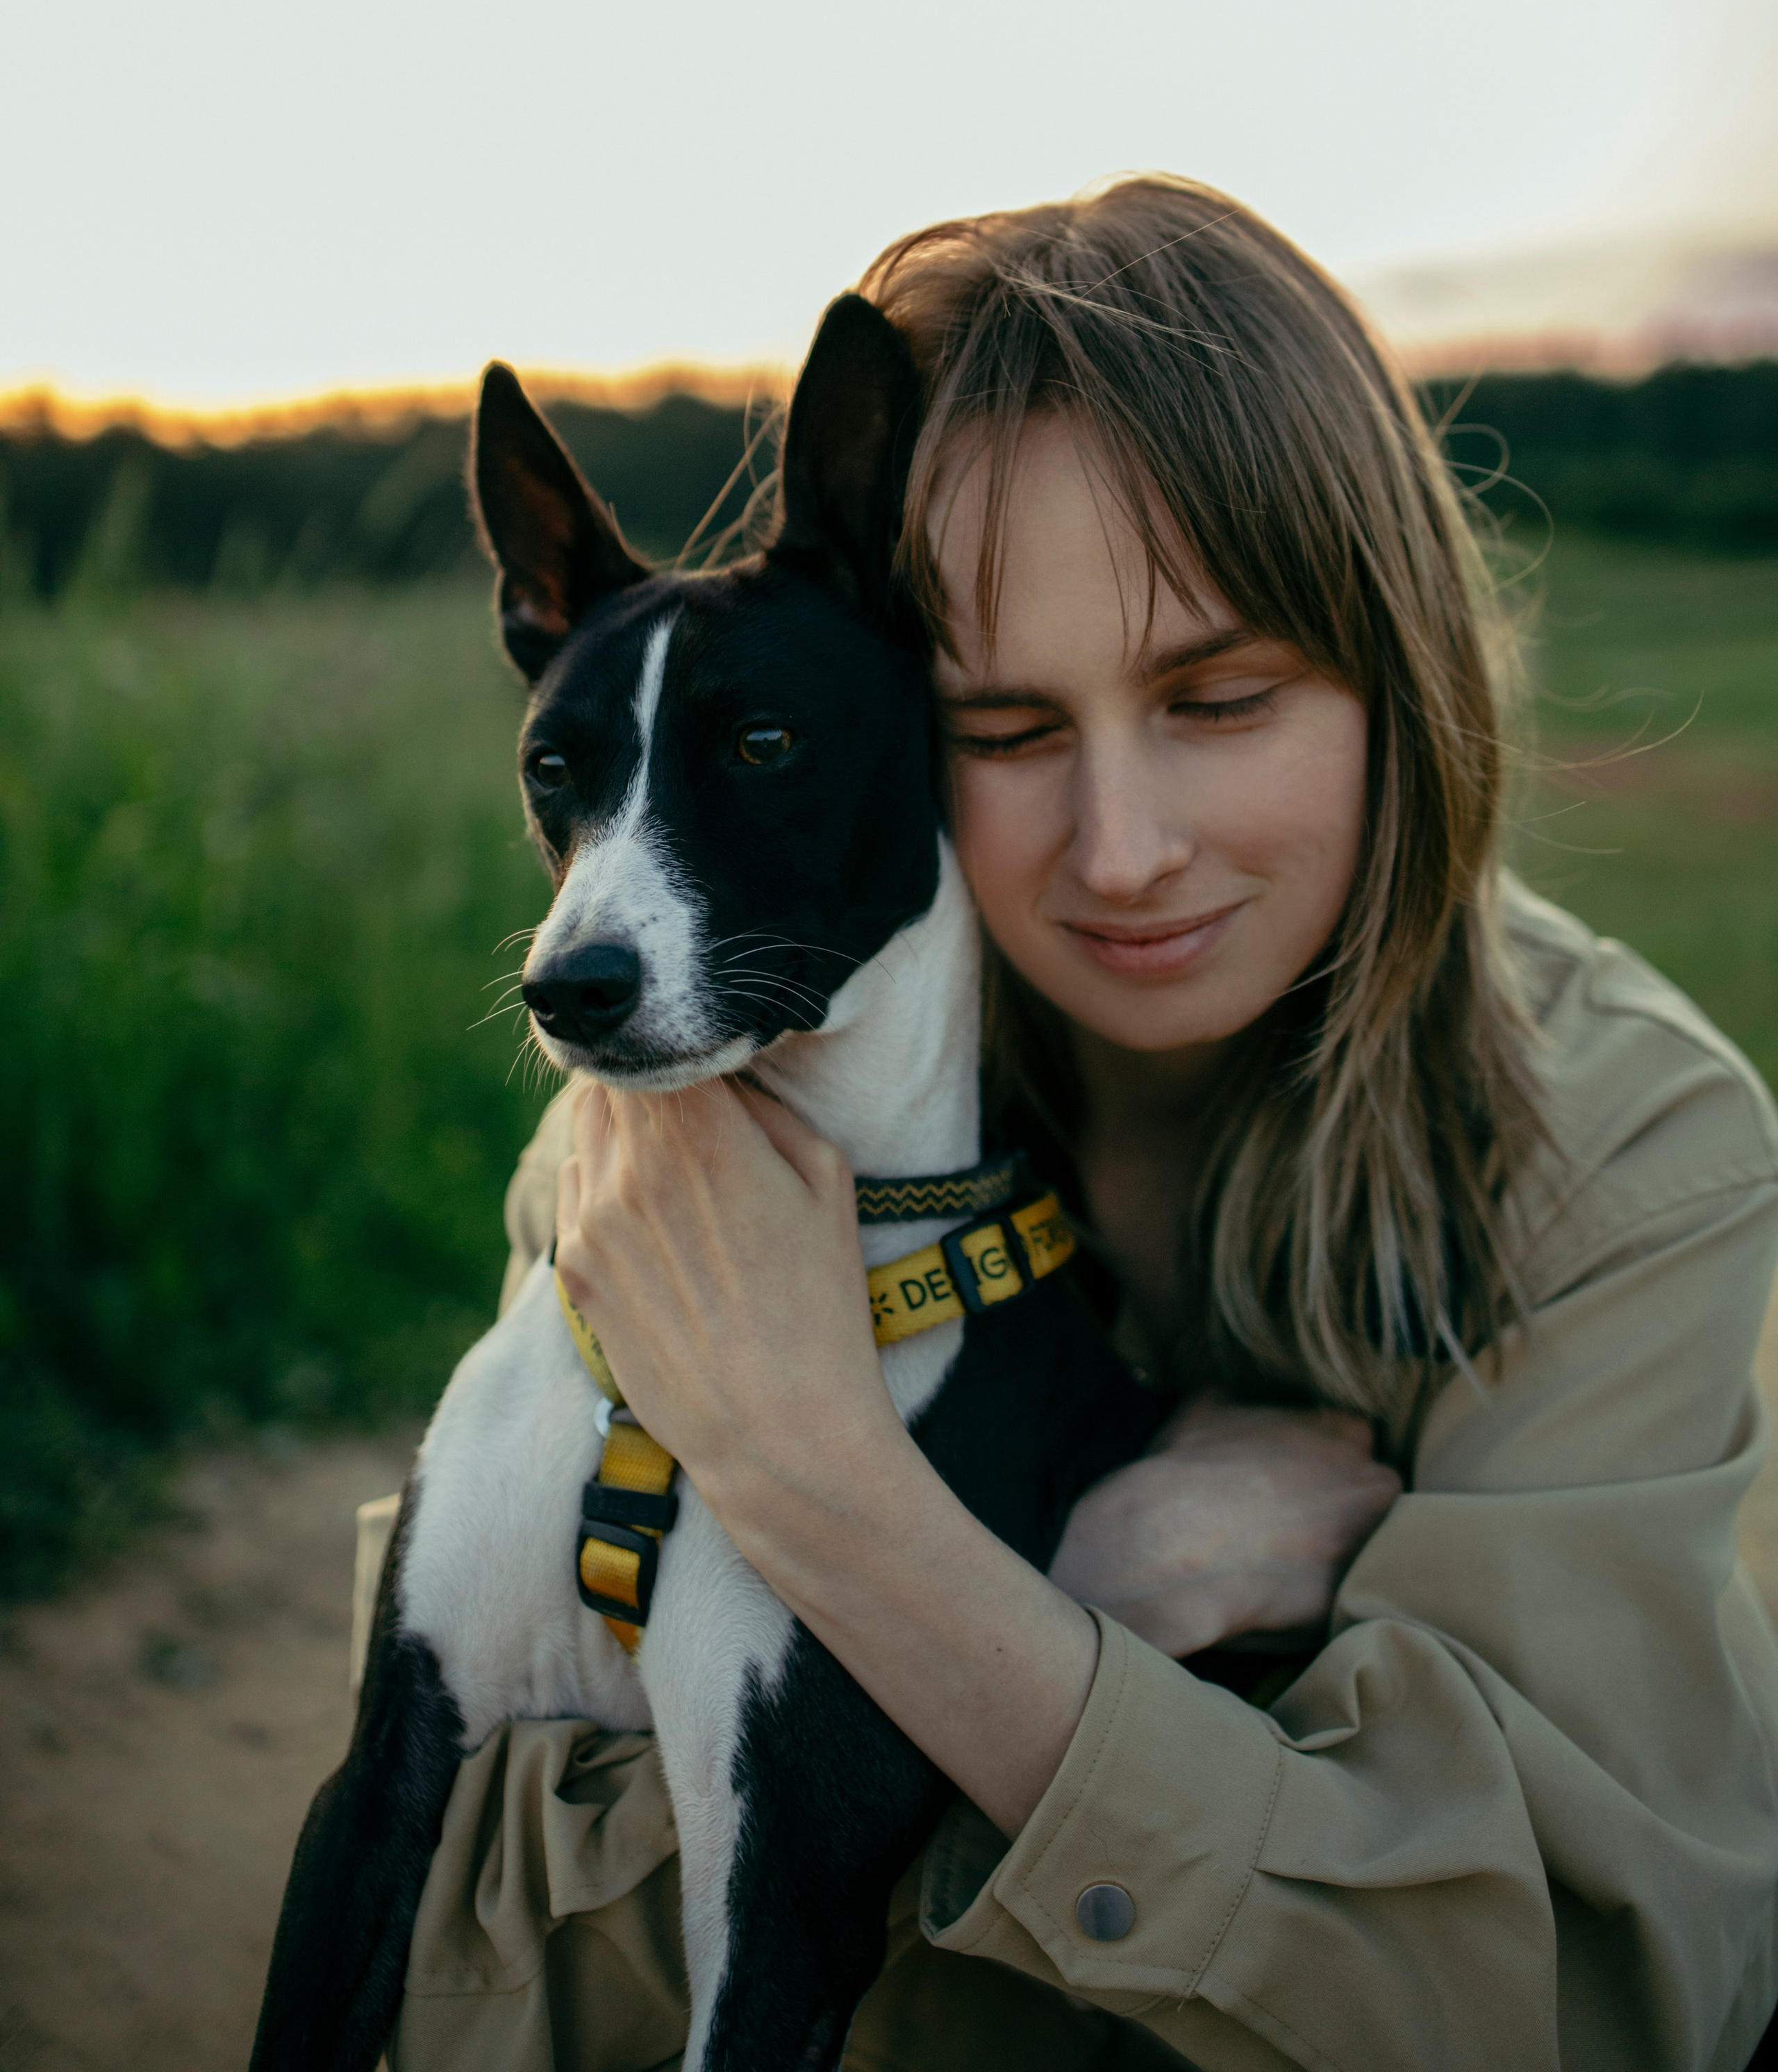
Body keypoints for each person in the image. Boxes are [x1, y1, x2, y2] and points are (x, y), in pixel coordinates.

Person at [388, 177, 1778, 2072]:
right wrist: (1045, 1599)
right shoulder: (709, 1121)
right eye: (1007, 730)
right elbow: (479, 1935)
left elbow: (1570, 2007)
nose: (1123, 854)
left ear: (1399, 669)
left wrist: (898, 1608)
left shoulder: (1635, 1150)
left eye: (1220, 696)